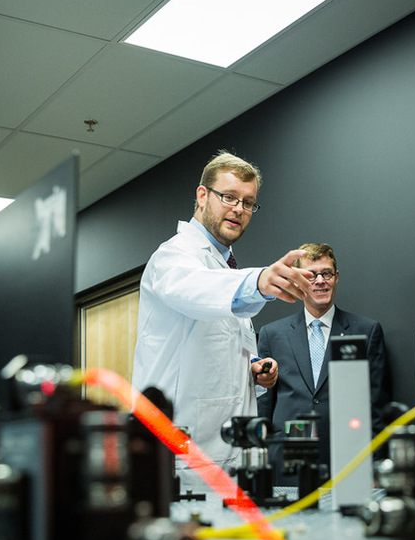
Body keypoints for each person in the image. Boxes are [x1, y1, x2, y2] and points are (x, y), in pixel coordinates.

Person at [131, 150, 312, 491]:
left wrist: (253, 369)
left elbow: (216, 343)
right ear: (202, 196)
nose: (239, 209)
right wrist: (258, 281)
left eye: (248, 203)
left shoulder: (224, 265)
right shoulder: (174, 255)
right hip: (184, 454)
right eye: (229, 197)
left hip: (232, 451)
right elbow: (197, 290)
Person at [256, 243, 390, 480]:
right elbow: (264, 405)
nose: (320, 281)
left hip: (348, 461)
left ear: (336, 277)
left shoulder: (366, 331)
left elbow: (376, 405)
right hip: (287, 460)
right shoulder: (272, 334)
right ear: (297, 281)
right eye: (311, 275)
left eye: (326, 273)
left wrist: (375, 465)